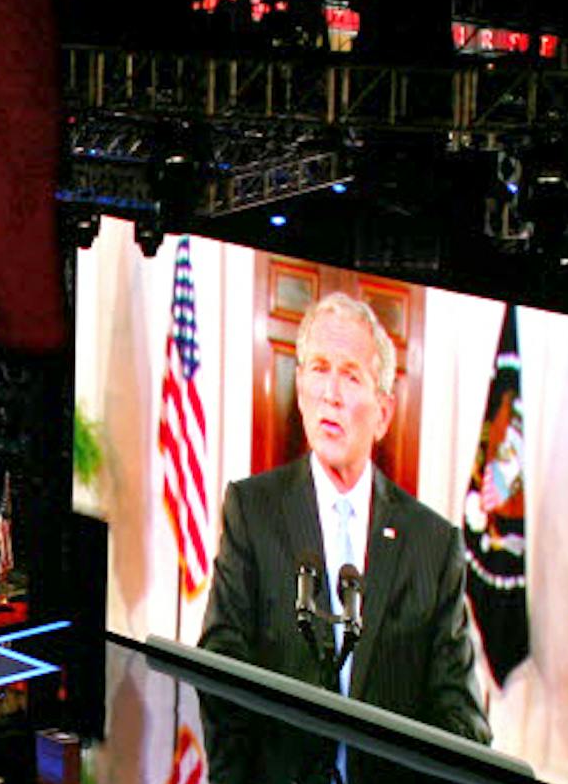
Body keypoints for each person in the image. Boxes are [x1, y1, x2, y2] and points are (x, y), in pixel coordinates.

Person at [198, 291, 489, 744]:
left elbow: (464, 723)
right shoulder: (252, 512)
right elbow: (218, 674)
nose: (330, 395)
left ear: (383, 413)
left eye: (351, 377)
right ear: (299, 389)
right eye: (318, 369)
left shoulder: (432, 546)